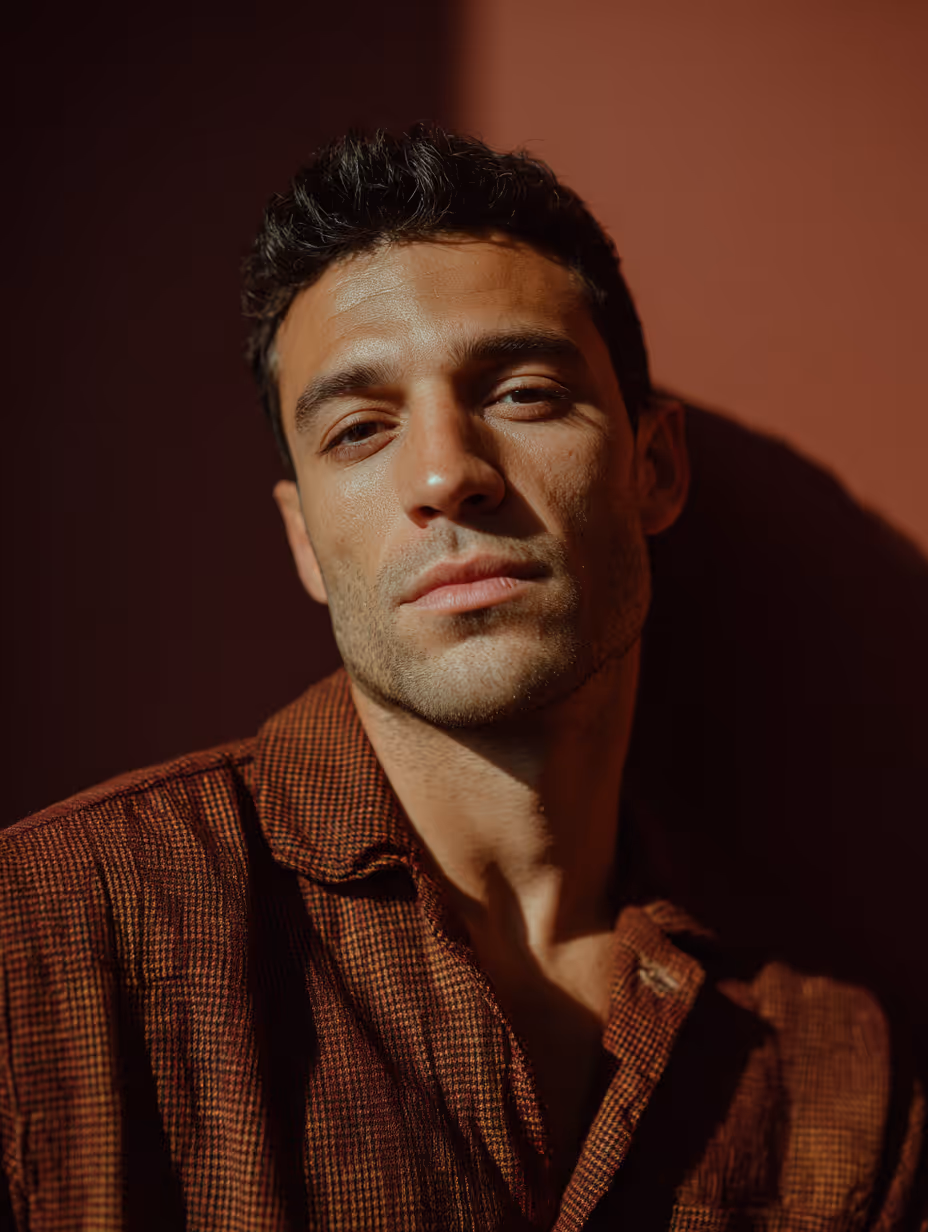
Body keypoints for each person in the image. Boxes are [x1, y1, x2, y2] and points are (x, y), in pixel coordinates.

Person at [0, 125, 924, 1231]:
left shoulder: (834, 1071)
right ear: (304, 541)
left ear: (654, 467)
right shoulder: (51, 934)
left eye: (524, 393)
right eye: (358, 429)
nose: (445, 473)